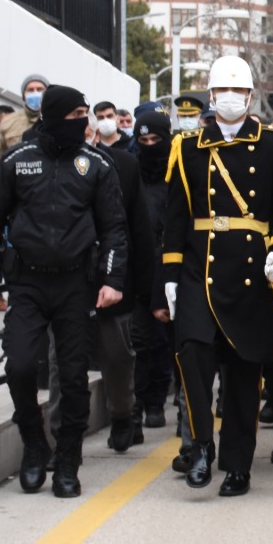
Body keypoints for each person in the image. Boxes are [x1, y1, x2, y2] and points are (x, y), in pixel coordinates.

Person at [0, 85, 128, 498]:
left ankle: (68, 458)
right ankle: (34, 444)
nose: (86, 120)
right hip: (28, 282)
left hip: (77, 284)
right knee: (20, 366)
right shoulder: (16, 161)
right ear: (56, 115)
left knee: (73, 376)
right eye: (77, 113)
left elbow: (114, 228)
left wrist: (113, 281)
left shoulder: (96, 165)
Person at [158, 57, 273, 498]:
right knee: (192, 355)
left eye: (240, 92)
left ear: (251, 97)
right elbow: (176, 216)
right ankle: (200, 446)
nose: (232, 99)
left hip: (251, 272)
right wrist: (170, 276)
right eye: (223, 92)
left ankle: (238, 465)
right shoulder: (187, 146)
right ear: (211, 97)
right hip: (200, 267)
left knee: (243, 373)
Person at [89, 103, 152, 453]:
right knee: (61, 362)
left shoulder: (125, 165)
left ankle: (123, 415)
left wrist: (145, 286)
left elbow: (137, 227)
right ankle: (65, 437)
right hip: (70, 282)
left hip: (115, 279)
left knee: (117, 355)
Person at [130, 111, 174, 431]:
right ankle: (141, 403)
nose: (149, 146)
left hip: (172, 266)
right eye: (143, 140)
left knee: (166, 340)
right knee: (141, 340)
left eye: (156, 140)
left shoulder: (178, 173)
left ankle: (160, 400)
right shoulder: (131, 174)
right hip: (139, 267)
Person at [0, 74, 49, 169]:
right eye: (30, 90)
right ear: (24, 95)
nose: (35, 93)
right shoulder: (9, 122)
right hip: (16, 179)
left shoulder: (56, 120)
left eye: (39, 89)